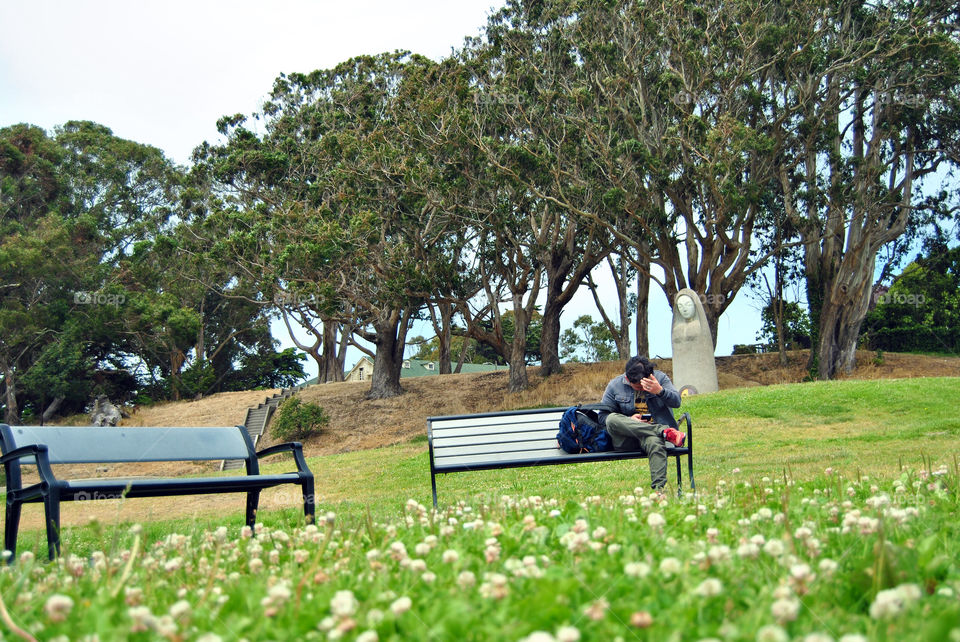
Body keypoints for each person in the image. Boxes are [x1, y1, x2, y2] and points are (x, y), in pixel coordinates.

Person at [598, 356, 686, 492]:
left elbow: (677, 402)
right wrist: (629, 419)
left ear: (650, 376)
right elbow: (602, 417)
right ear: (628, 379)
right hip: (627, 439)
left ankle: (659, 491)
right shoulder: (615, 385)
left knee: (655, 442)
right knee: (611, 419)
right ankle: (663, 431)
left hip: (652, 438)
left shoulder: (660, 379)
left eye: (645, 385)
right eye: (638, 386)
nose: (642, 388)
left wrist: (660, 391)